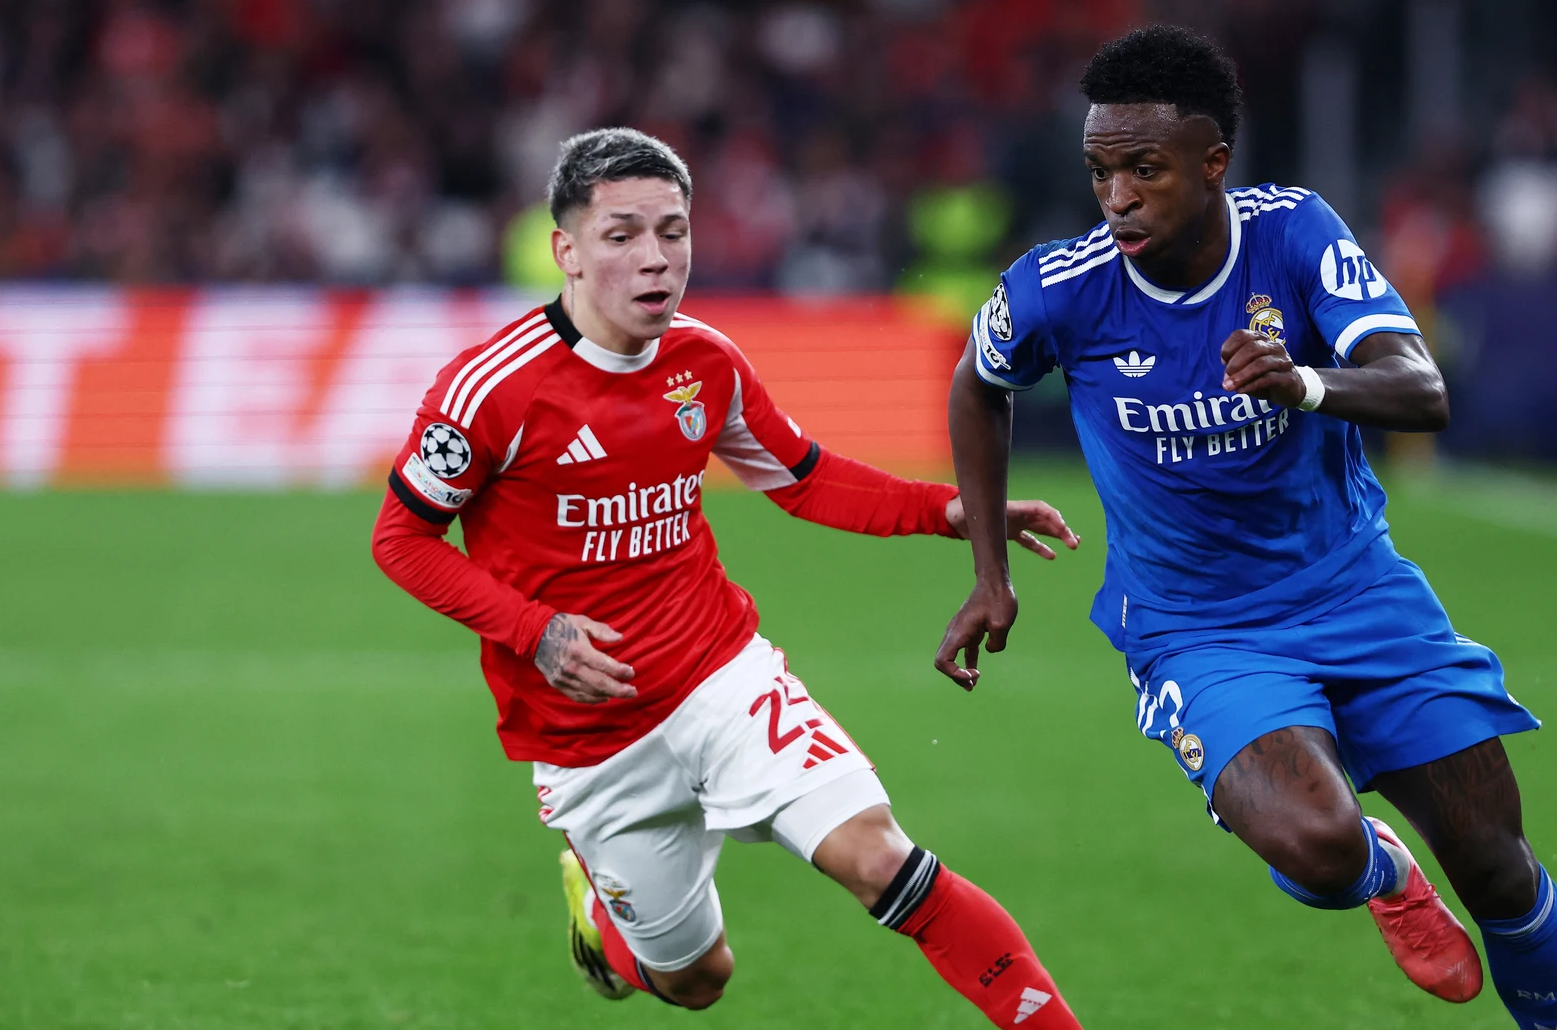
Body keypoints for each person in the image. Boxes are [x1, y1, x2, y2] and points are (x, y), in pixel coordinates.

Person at [936, 26, 1557, 1030]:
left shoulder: (1294, 235)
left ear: (1212, 163)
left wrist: (1307, 382)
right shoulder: (1059, 289)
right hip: (1199, 628)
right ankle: (1381, 869)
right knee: (1323, 850)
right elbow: (975, 386)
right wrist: (989, 573)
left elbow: (1422, 389)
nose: (1116, 198)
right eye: (1100, 171)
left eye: (1143, 170)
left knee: (1499, 869)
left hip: (1356, 589)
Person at [371, 127, 1084, 1029]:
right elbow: (402, 538)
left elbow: (804, 476)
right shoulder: (491, 391)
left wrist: (952, 510)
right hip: (590, 737)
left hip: (721, 675)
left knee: (877, 856)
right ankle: (600, 914)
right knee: (698, 979)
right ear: (567, 251)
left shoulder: (705, 361)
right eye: (623, 235)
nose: (656, 259)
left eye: (674, 232)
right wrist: (536, 631)